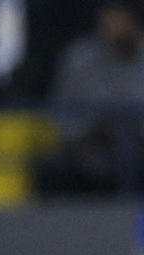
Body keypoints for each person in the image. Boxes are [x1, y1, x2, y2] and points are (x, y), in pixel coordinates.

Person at [37, 1, 144, 196]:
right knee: (53, 168)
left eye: (119, 18)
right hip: (87, 148)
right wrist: (86, 133)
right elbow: (61, 116)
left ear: (134, 22)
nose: (112, 26)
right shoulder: (79, 58)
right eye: (107, 19)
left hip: (138, 148)